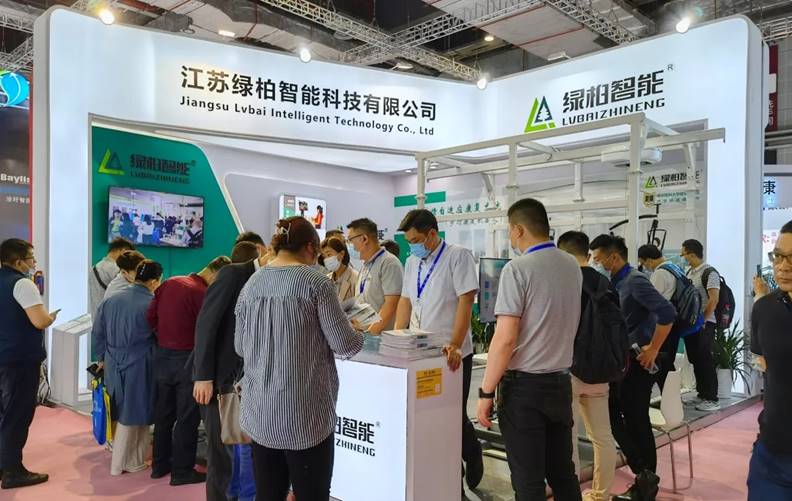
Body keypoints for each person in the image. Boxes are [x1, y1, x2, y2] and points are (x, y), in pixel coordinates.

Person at [235, 216, 364, 501]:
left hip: (261, 414)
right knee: (312, 495)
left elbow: (240, 347)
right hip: (304, 416)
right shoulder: (315, 282)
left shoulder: (252, 283)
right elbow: (345, 345)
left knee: (268, 494)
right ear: (309, 247)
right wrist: (359, 331)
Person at [475, 201, 582, 501]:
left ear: (519, 229)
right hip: (560, 383)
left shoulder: (517, 269)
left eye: (510, 230)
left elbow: (505, 339)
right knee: (563, 474)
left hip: (524, 390)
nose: (510, 236)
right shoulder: (571, 265)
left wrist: (486, 392)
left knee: (528, 482)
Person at [393, 209, 484, 492]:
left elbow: (465, 301)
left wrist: (455, 343)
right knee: (431, 418)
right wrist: (396, 337)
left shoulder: (458, 256)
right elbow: (406, 300)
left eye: (415, 240)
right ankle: (451, 476)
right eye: (409, 242)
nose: (412, 246)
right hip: (420, 353)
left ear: (431, 234)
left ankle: (471, 454)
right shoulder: (412, 262)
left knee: (453, 415)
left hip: (451, 353)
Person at [590, 235, 676, 501]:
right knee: (614, 415)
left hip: (637, 362)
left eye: (598, 259)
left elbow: (667, 312)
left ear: (613, 257)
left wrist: (653, 348)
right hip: (620, 363)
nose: (595, 263)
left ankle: (645, 480)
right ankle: (643, 474)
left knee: (636, 419)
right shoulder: (614, 283)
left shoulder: (635, 281)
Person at [193, 241, 269, 501]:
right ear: (267, 251)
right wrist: (203, 376)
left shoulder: (267, 281)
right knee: (221, 455)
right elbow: (206, 324)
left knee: (242, 446)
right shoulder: (233, 274)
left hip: (247, 380)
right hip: (218, 380)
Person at [147, 256, 231, 485]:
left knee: (163, 416)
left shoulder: (169, 283)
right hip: (187, 360)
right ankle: (182, 471)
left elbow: (150, 317)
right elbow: (207, 332)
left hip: (162, 356)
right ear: (217, 273)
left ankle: (159, 465)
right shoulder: (202, 294)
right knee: (187, 419)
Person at [558, 231, 617, 501]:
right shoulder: (605, 283)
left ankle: (571, 494)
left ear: (563, 253)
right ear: (587, 253)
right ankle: (600, 495)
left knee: (568, 437)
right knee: (603, 437)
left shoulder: (565, 281)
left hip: (569, 368)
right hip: (601, 369)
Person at [92, 259, 162, 476]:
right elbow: (159, 335)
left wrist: (101, 358)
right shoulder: (153, 303)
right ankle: (126, 462)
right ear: (154, 281)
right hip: (140, 362)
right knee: (137, 412)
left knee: (117, 410)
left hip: (112, 361)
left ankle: (126, 460)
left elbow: (97, 332)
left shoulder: (111, 300)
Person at [0, 239, 56, 489]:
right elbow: (39, 321)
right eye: (31, 258)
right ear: (18, 261)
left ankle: (4, 465)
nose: (34, 262)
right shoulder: (22, 283)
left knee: (5, 413)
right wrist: (50, 317)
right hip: (19, 359)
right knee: (17, 415)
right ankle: (13, 471)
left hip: (4, 355)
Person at [748, 220, 792, 499]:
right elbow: (765, 363)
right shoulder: (764, 308)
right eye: (778, 256)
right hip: (772, 455)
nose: (783, 266)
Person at [680, 239, 721, 412]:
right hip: (691, 324)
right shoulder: (689, 272)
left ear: (692, 254)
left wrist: (703, 320)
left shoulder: (710, 272)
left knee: (705, 360)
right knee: (696, 359)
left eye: (683, 254)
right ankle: (702, 394)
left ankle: (712, 398)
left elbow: (714, 299)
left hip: (705, 324)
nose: (682, 257)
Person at [637, 244, 685, 391]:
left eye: (644, 263)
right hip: (676, 321)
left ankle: (670, 395)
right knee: (667, 359)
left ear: (649, 260)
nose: (645, 267)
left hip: (664, 324)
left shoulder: (659, 274)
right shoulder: (675, 268)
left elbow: (650, 299)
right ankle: (671, 395)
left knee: (662, 360)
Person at [347, 218, 403, 333]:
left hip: (381, 337)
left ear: (364, 239)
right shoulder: (365, 265)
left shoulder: (389, 263)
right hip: (364, 334)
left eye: (350, 240)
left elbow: (391, 304)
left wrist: (371, 334)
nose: (349, 245)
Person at [89, 237, 135, 318]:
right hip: (111, 318)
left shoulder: (94, 268)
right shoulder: (117, 270)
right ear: (123, 250)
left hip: (96, 318)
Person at [321, 236, 358, 303]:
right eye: (324, 256)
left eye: (329, 255)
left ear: (341, 254)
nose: (326, 259)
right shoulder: (326, 279)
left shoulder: (355, 278)